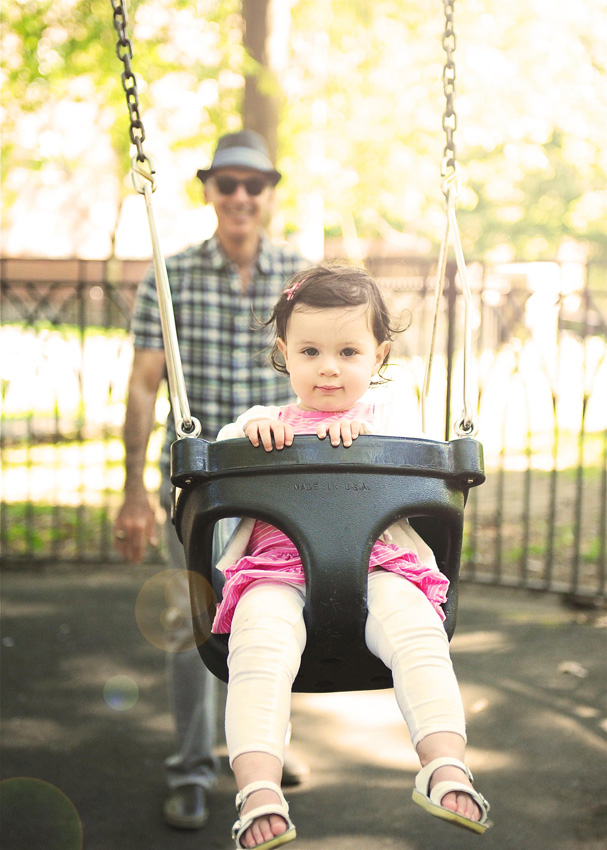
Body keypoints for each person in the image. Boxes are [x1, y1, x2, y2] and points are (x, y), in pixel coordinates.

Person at [211, 264, 492, 849]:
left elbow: (421, 461)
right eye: (310, 350)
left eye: (348, 350)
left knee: (420, 634)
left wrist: (370, 440)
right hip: (276, 572)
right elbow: (219, 452)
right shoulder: (266, 423)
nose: (329, 367)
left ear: (378, 354)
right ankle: (258, 788)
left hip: (379, 567)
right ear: (284, 353)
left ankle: (445, 766)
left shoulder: (388, 422)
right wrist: (251, 429)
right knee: (257, 649)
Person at [113, 130, 310, 830]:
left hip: (280, 484)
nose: (239, 197)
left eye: (252, 185)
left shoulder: (301, 278)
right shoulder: (169, 278)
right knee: (190, 621)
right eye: (226, 183)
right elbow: (142, 389)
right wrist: (135, 489)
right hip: (199, 483)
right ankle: (193, 770)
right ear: (208, 191)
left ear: (268, 194)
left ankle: (259, 751)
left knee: (275, 615)